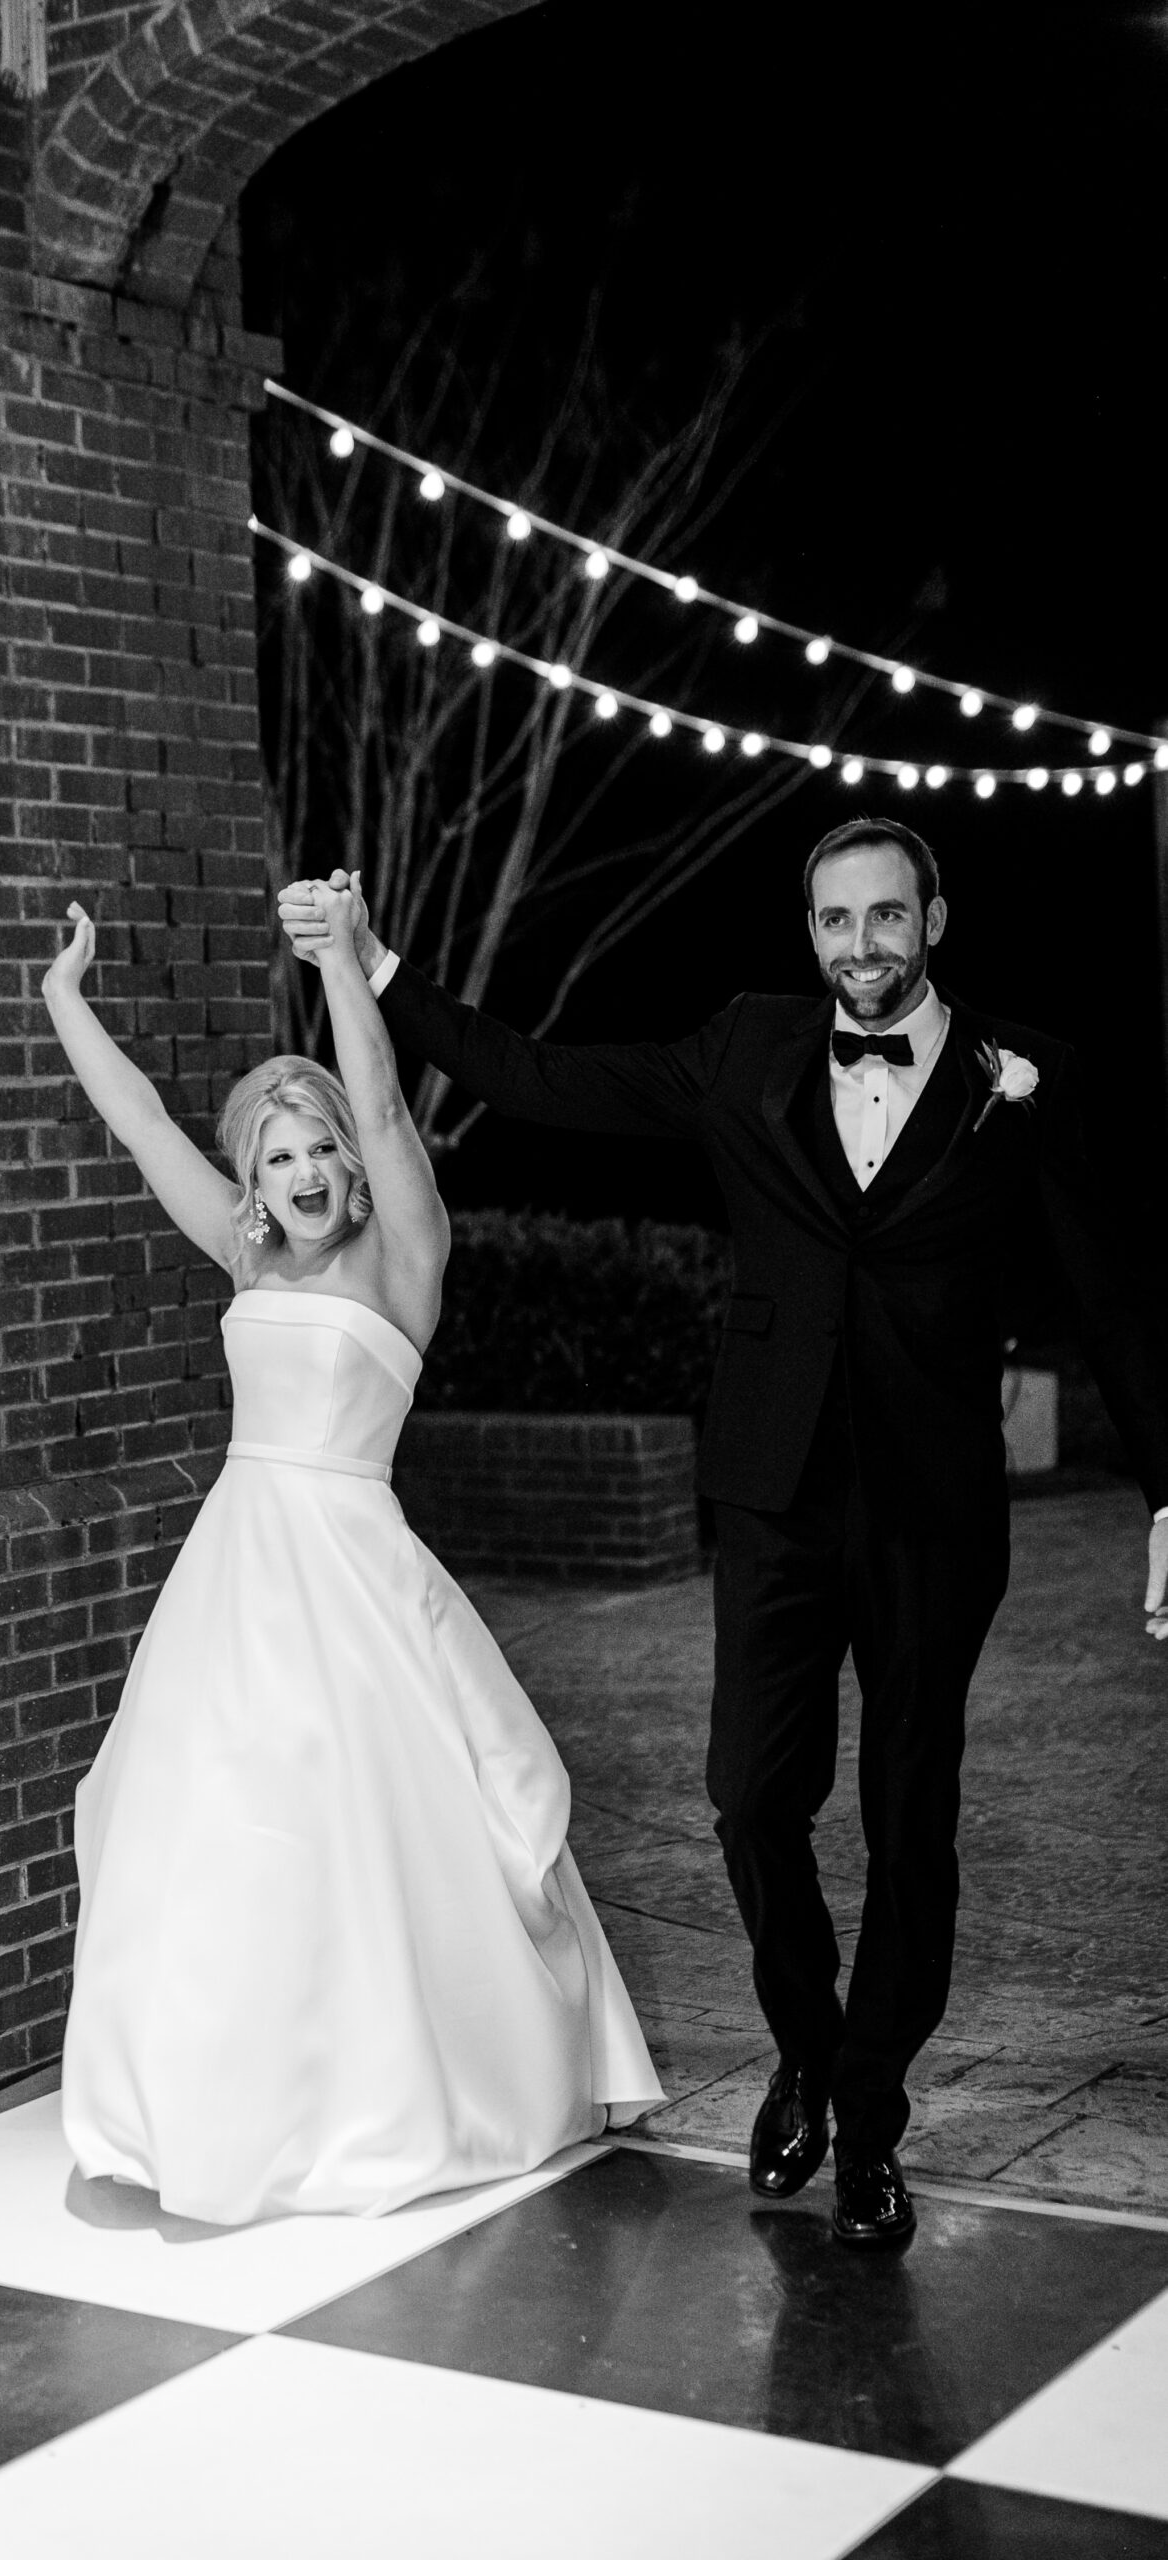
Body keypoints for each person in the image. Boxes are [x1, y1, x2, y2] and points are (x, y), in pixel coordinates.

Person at [281, 818, 1168, 2250]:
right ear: (809, 932)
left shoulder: (1028, 1077)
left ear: (934, 920)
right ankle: (807, 2050)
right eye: (835, 923)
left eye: (887, 918)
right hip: (774, 1493)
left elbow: (1115, 1295)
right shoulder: (751, 1046)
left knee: (908, 1820)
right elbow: (541, 1078)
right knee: (752, 1799)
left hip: (937, 1510)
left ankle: (869, 2115)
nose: (860, 948)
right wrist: (378, 968)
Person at [40, 888, 661, 2227]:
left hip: (354, 1577)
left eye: (318, 1148)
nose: (307, 1172)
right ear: (253, 1183)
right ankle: (211, 2101)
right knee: (212, 1837)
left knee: (360, 1834)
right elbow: (143, 1121)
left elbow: (387, 1108)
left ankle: (380, 2100)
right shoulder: (243, 1253)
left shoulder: (405, 1260)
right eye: (276, 1158)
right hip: (233, 1576)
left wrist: (337, 968)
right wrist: (64, 1004)